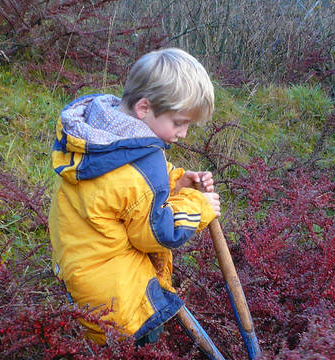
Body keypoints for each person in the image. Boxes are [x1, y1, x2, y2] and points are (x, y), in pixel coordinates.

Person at [49, 48, 220, 345]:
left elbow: (122, 189)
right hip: (118, 298)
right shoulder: (142, 165)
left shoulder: (102, 132)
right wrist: (199, 205)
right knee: (142, 341)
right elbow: (157, 232)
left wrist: (175, 181)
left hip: (79, 269)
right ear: (144, 108)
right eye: (179, 122)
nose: (184, 133)